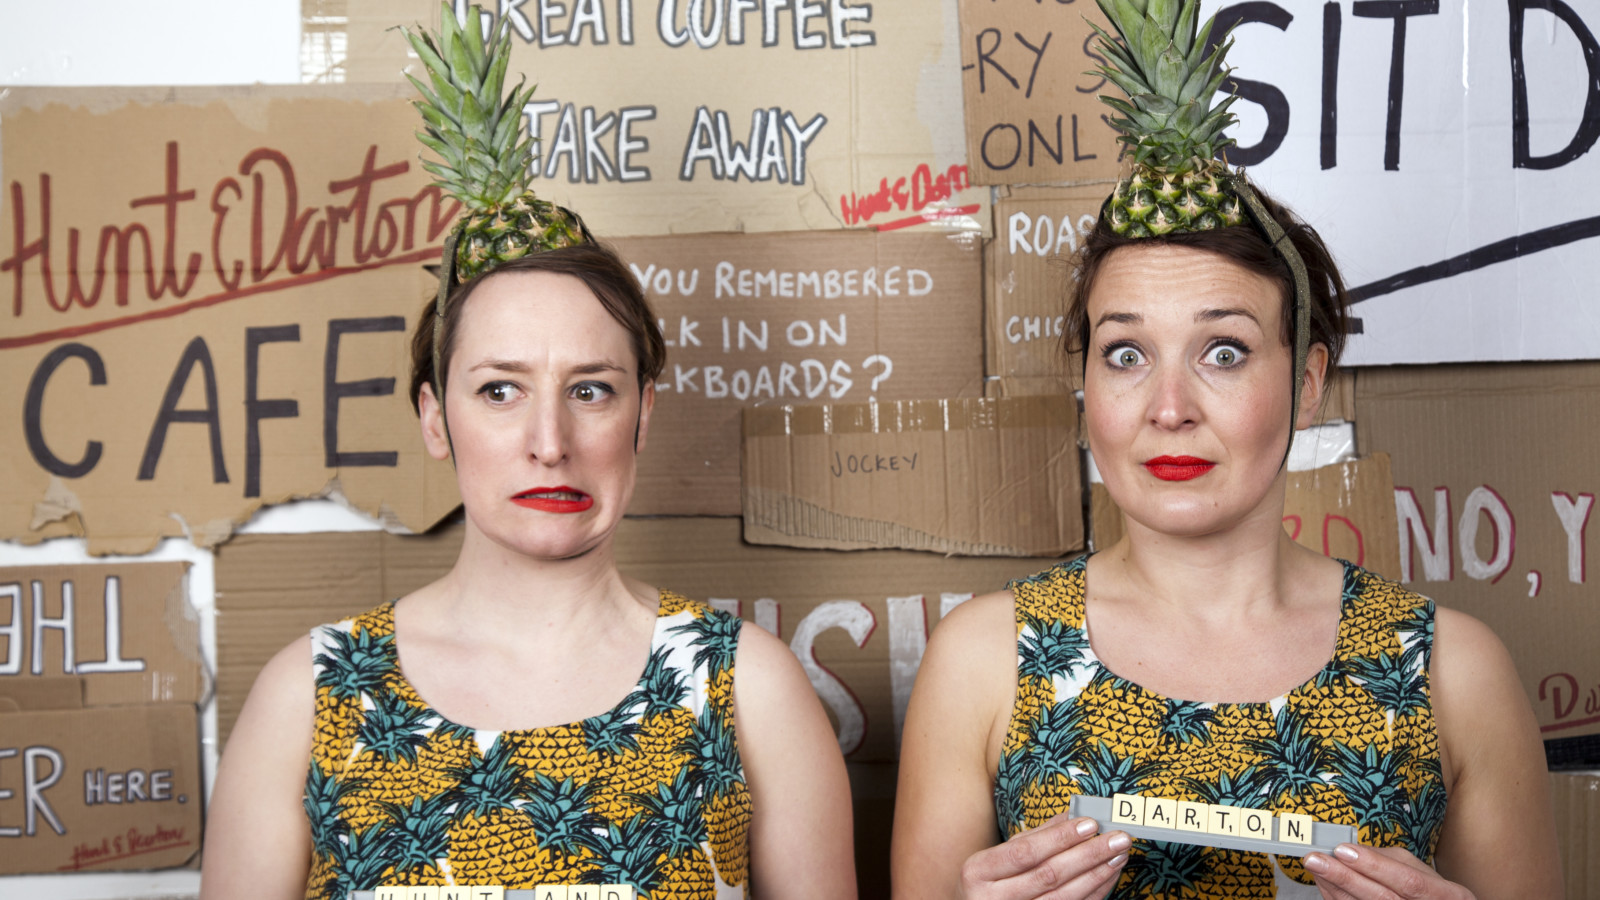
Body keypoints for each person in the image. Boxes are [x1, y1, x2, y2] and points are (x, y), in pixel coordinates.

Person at [890, 184, 1563, 899]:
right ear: (1086, 383)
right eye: (1125, 354)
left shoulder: (1455, 670)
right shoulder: (981, 658)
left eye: (1223, 352)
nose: (1170, 407)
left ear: (1307, 383)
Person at [201, 243, 856, 900]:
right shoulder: (309, 697)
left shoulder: (748, 686)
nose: (550, 442)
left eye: (591, 390)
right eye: (500, 390)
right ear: (435, 420)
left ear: (643, 415)